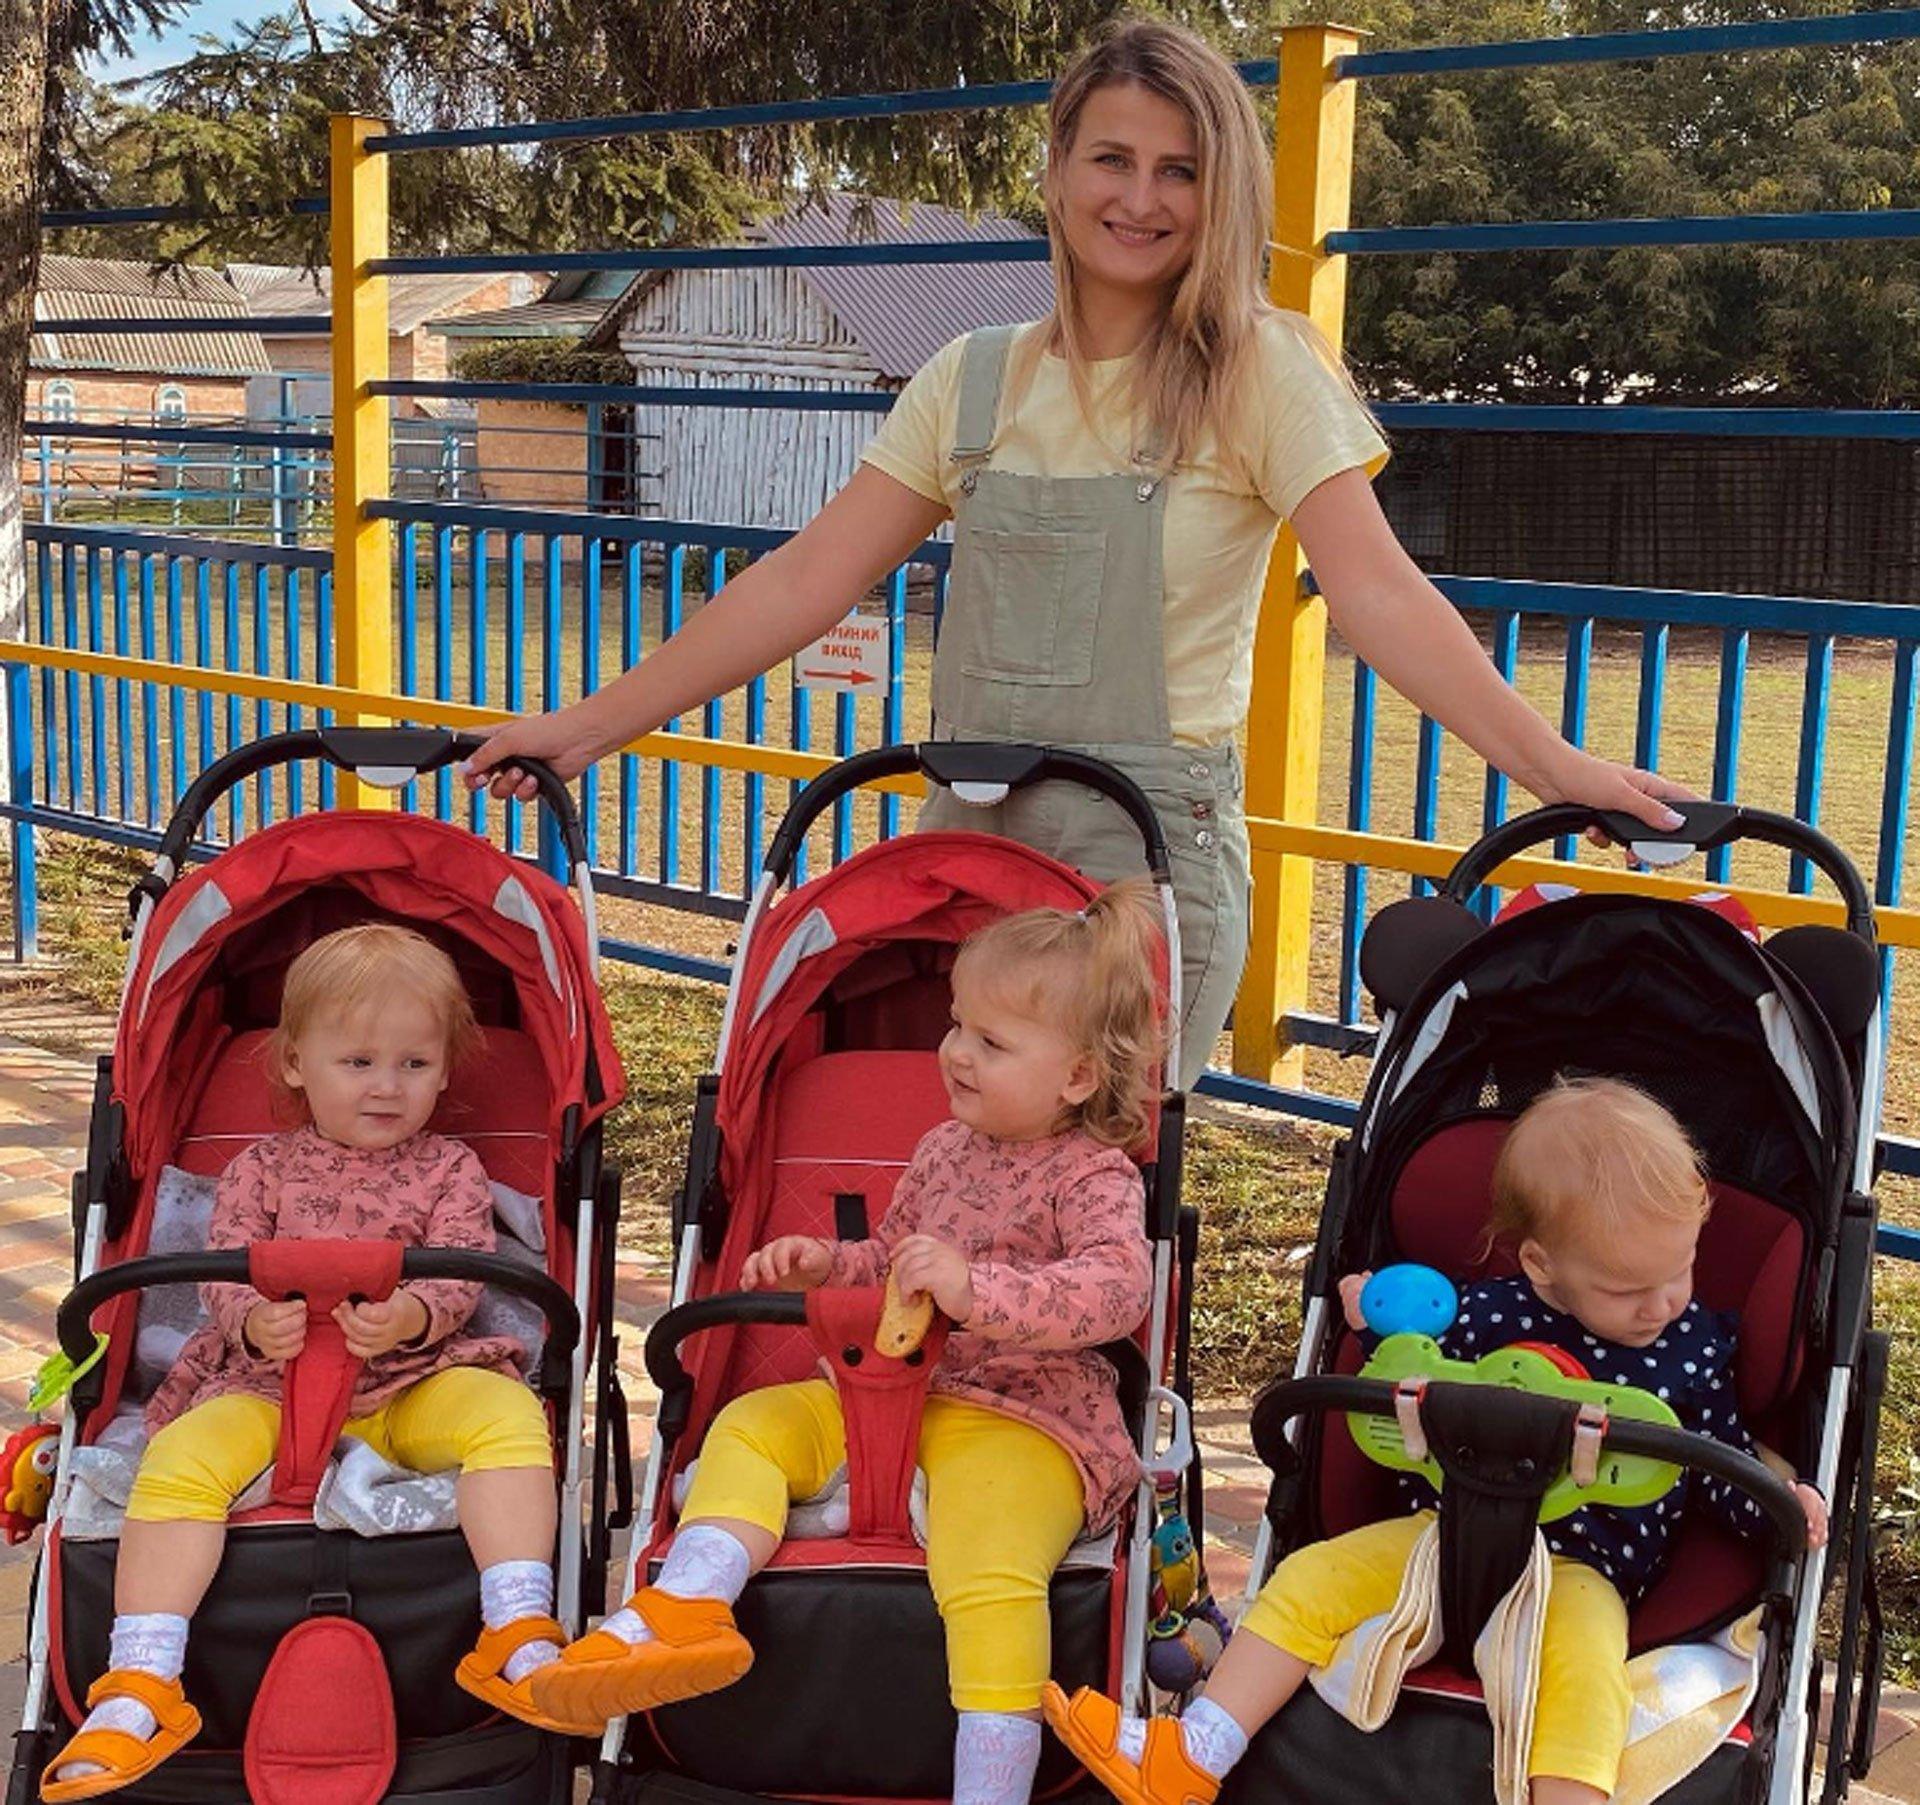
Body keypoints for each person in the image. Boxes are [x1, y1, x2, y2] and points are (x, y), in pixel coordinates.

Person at [462, 16, 1689, 1090]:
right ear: (1054, 174)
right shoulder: (972, 380)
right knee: (950, 1183)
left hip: (1143, 860)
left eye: (1181, 170)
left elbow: (1372, 590)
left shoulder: (1264, 369)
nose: (1141, 198)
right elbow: (805, 578)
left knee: (1098, 1216)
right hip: (966, 847)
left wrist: (1555, 765)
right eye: (1112, 158)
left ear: (1224, 195)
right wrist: (588, 724)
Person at [525, 880, 1165, 1805]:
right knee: (748, 1427)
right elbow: (890, 1257)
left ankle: (992, 1781)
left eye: (991, 1041)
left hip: (1028, 1422)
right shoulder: (945, 1147)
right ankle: (687, 1606)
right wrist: (826, 1263)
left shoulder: (1092, 1175)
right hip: (882, 1391)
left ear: (1076, 1076)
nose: (956, 1052)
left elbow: (1115, 1289)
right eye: (955, 1025)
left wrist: (974, 1289)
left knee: (990, 1564)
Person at [1045, 1075, 1830, 1805]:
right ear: (1542, 1267)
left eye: (1682, 1268)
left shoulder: (1693, 1348)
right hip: (1439, 1536)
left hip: (1584, 1568)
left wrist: (1778, 1505)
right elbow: (1401, 1344)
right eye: (1627, 1288)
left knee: (1590, 1672)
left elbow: (1720, 1459)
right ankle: (1194, 1755)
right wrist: (1363, 1303)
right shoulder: (1486, 1316)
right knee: (1310, 1578)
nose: (1662, 1302)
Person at [46, 924, 575, 1802]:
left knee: (508, 1415)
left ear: (446, 1069)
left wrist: (412, 1310)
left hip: (414, 1381)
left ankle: (516, 1620)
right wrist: (255, 1323)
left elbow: (459, 1262)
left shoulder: (453, 1168)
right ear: (296, 1062)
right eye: (359, 1061)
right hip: (268, 1387)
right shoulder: (258, 1170)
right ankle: (141, 1675)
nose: (387, 1085)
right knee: (177, 1462)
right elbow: (223, 1269)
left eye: (414, 1063)